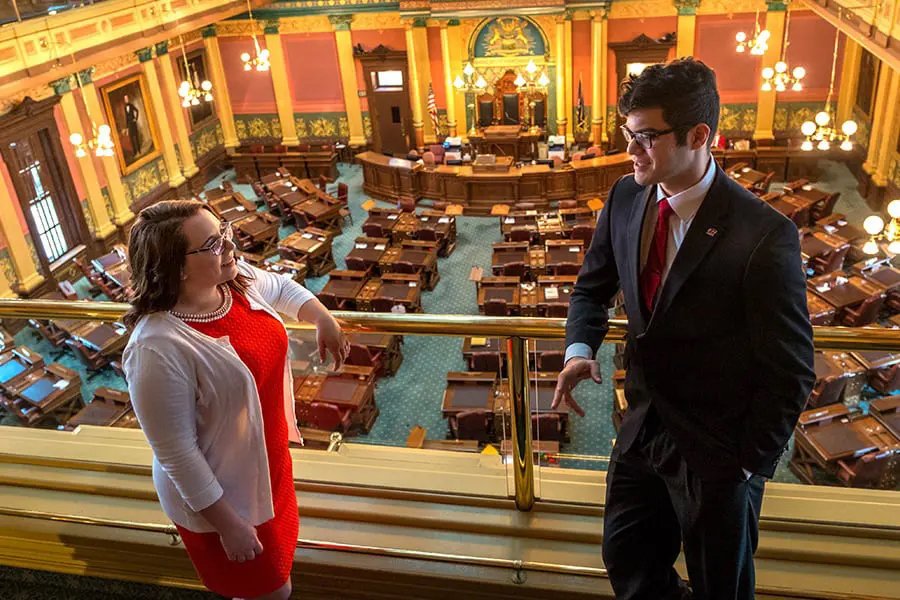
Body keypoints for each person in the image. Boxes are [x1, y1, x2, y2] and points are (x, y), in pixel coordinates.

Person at [552, 58, 815, 599]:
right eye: (628, 134)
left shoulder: (765, 235)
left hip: (719, 453)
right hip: (641, 428)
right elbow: (591, 288)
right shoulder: (626, 197)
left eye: (645, 137)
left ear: (699, 135)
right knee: (626, 558)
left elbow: (790, 372)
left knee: (722, 586)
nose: (630, 152)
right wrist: (580, 348)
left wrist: (746, 467)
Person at [123, 200, 349, 600]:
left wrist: (321, 317)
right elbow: (178, 454)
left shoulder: (233, 283)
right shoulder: (156, 347)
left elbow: (279, 286)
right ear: (175, 266)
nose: (231, 245)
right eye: (213, 243)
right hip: (221, 497)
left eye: (225, 231)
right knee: (268, 591)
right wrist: (228, 525)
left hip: (267, 463)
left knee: (276, 578)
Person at [122, 94, 142, 161]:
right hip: (129, 125)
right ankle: (135, 152)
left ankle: (139, 150)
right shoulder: (125, 107)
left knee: (136, 137)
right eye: (125, 99)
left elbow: (137, 111)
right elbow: (126, 118)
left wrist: (136, 119)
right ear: (124, 100)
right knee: (131, 139)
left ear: (128, 99)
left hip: (133, 124)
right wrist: (127, 127)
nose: (126, 100)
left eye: (127, 98)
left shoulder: (131, 105)